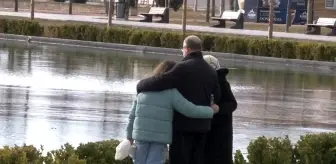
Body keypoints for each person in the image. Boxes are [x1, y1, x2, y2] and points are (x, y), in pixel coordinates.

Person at [136, 35, 221, 164]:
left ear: (186, 49)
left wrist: (141, 85)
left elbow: (160, 81)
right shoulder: (211, 71)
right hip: (203, 126)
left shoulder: (182, 67)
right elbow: (217, 95)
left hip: (183, 127)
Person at [203, 55, 238, 164]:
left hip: (221, 133)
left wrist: (219, 108)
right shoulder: (199, 81)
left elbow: (233, 104)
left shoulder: (222, 83)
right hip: (205, 131)